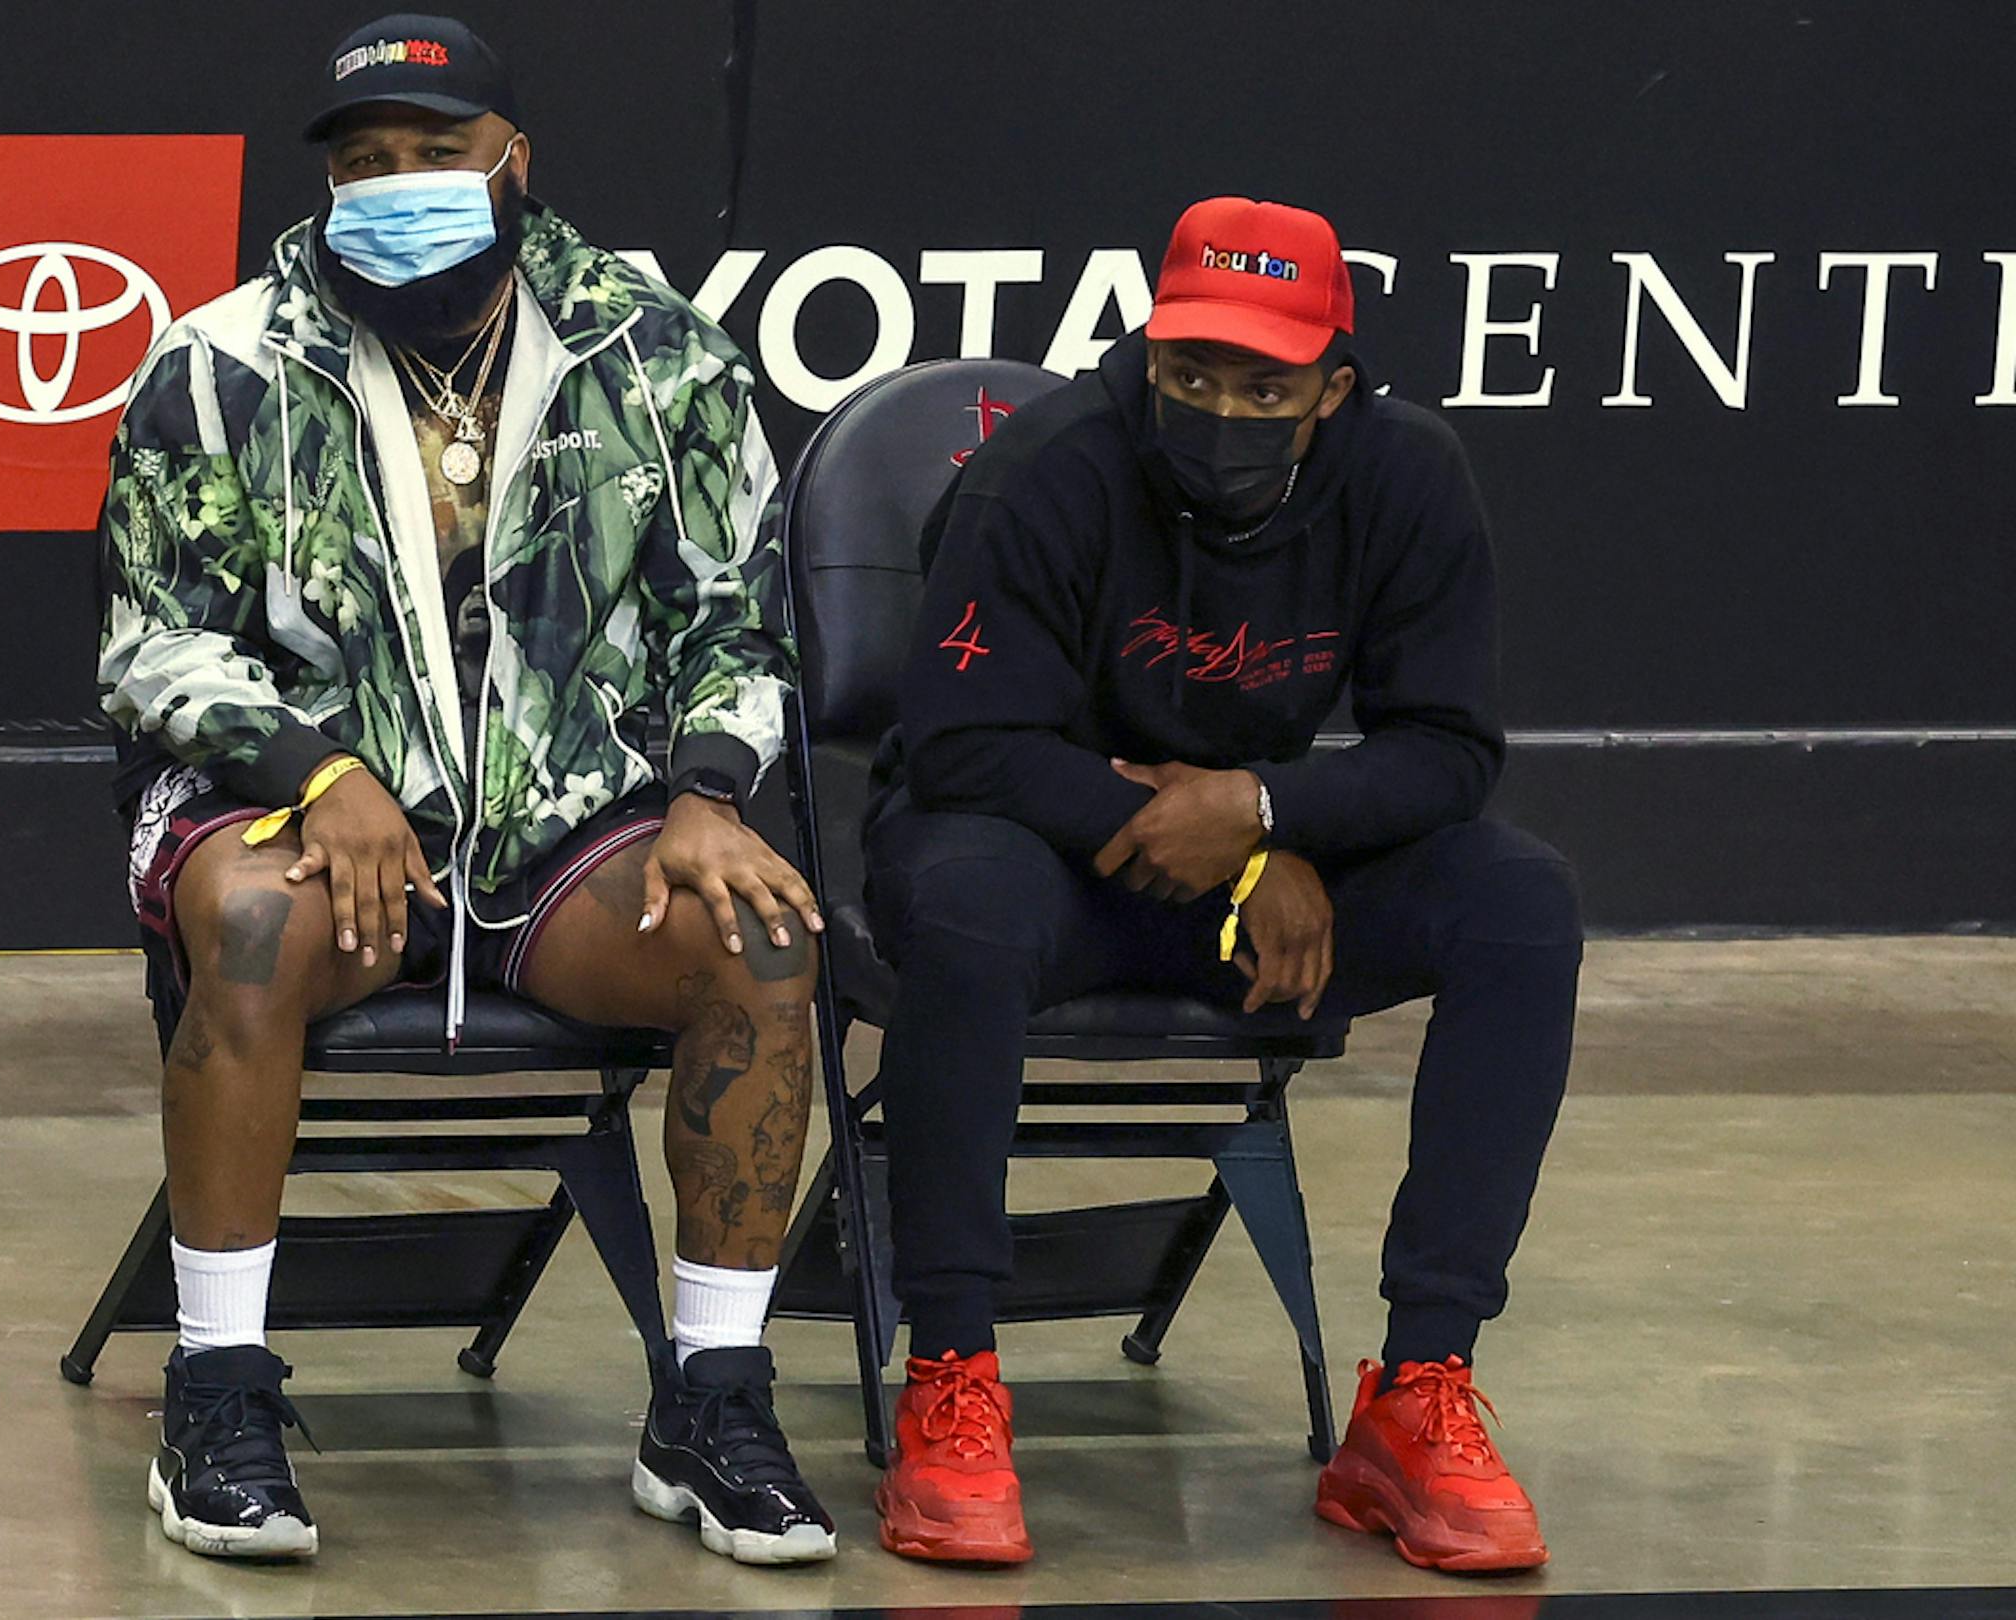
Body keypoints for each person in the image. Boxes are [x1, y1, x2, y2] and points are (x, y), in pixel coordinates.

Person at [97, 13, 835, 1566]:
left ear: (514, 164)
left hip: (572, 828)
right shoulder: (224, 360)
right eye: (365, 163)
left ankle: (710, 1401)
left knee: (758, 942)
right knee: (239, 922)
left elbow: (738, 621)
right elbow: (152, 643)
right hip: (311, 829)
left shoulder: (657, 355)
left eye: (436, 155)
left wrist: (708, 790)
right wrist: (317, 770)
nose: (398, 185)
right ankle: (215, 1389)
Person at [862, 197, 1582, 1574]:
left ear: (1335, 388)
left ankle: (1419, 1390)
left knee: (1520, 900)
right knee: (960, 902)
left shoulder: (1408, 476)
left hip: (1252, 885)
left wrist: (1263, 814)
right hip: (1040, 860)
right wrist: (1244, 850)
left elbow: (1450, 750)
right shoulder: (1049, 465)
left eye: (1266, 385)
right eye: (1192, 373)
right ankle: (950, 1379)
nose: (1220, 407)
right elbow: (960, 743)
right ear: (1150, 349)